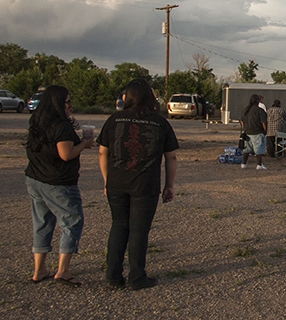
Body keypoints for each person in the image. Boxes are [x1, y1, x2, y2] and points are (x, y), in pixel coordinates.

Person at [97, 79, 178, 290]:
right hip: (145, 184)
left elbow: (103, 152)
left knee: (118, 225)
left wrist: (106, 180)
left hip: (117, 182)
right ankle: (136, 277)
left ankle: (113, 276)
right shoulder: (159, 123)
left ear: (127, 97)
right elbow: (171, 157)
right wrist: (169, 185)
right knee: (139, 231)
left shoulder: (114, 120)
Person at [25, 85, 93, 286]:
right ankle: (63, 271)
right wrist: (84, 144)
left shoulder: (37, 122)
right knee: (72, 222)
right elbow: (66, 154)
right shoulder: (61, 126)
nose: (70, 106)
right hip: (58, 182)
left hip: (35, 179)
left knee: (42, 223)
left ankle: (39, 269)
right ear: (57, 103)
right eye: (67, 102)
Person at [240, 94, 267, 170]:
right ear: (257, 101)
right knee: (259, 149)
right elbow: (263, 122)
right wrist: (265, 130)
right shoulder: (259, 110)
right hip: (257, 132)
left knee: (246, 149)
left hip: (247, 132)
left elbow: (242, 122)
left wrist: (245, 128)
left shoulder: (245, 110)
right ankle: (259, 164)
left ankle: (244, 163)